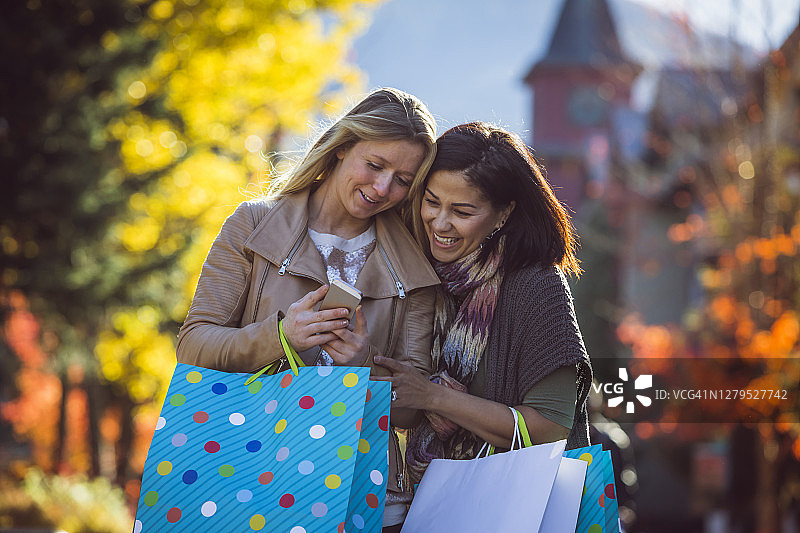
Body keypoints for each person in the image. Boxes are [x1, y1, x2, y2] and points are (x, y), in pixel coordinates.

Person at [176, 87, 441, 532]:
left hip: (363, 492)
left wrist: (364, 366)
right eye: (375, 166)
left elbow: (411, 413)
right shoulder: (253, 225)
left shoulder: (414, 264)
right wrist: (280, 336)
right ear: (341, 148)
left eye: (403, 180)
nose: (382, 188)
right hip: (248, 474)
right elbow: (193, 345)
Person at [374, 122, 593, 487]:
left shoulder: (537, 286)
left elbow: (551, 429)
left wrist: (434, 396)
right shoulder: (419, 276)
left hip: (520, 504)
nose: (440, 223)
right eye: (432, 201)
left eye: (461, 211)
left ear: (503, 214)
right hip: (433, 499)